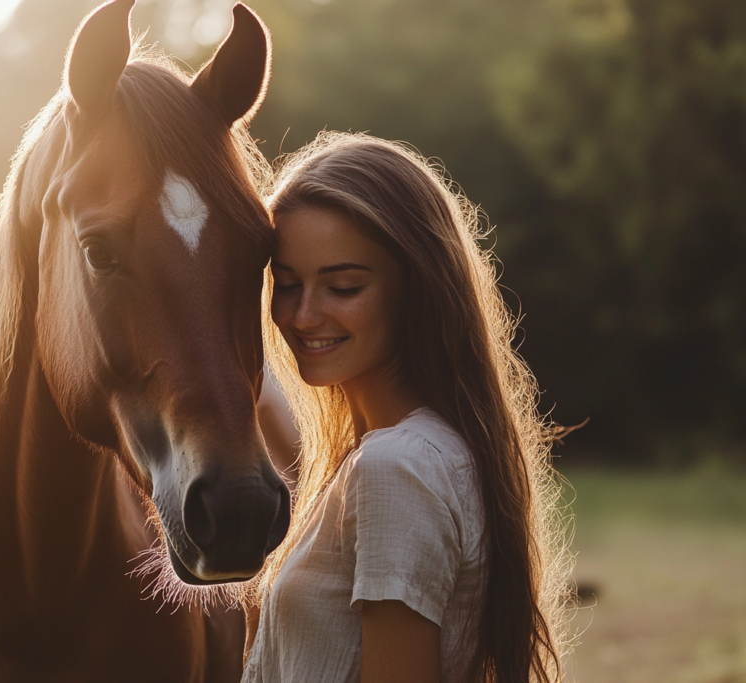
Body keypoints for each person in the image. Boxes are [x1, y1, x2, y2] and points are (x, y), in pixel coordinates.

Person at [242, 132, 571, 683]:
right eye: (288, 284)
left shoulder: (396, 467)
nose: (301, 316)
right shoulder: (414, 451)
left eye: (343, 286)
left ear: (416, 288)